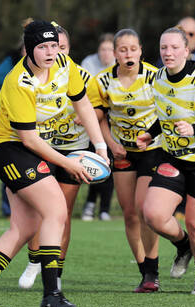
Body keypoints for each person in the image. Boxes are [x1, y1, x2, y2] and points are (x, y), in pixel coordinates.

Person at [0, 20, 108, 307]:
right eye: (43, 47)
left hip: (31, 149)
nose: (51, 52)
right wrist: (69, 163)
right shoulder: (18, 82)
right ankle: (52, 294)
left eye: (54, 45)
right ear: (28, 49)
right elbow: (28, 139)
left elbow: (83, 104)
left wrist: (100, 146)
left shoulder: (66, 64)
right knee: (55, 210)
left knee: (24, 227)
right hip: (10, 150)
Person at [137, 26, 195, 295]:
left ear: (186, 51)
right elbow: (166, 114)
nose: (168, 53)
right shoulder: (158, 78)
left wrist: (194, 128)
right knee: (153, 214)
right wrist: (150, 133)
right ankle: (183, 246)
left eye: (174, 48)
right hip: (174, 157)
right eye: (164, 47)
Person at [18, 22, 103, 290]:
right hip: (41, 147)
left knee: (62, 212)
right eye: (49, 47)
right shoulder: (27, 78)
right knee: (40, 210)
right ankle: (35, 260)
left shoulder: (78, 74)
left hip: (73, 148)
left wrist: (97, 139)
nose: (55, 53)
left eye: (60, 47)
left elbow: (97, 109)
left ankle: (55, 273)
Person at [93, 28, 161, 293]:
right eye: (123, 49)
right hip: (122, 152)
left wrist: (151, 134)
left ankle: (153, 271)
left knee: (144, 209)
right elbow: (98, 117)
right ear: (115, 53)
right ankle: (145, 273)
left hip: (152, 150)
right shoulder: (102, 81)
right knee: (130, 214)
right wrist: (111, 145)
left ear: (141, 50)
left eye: (133, 49)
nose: (128, 54)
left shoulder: (156, 77)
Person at [0, 18, 32, 217]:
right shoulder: (13, 65)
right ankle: (8, 208)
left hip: (33, 126)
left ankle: (27, 206)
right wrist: (18, 79)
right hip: (4, 125)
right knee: (10, 167)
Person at [81, 33, 116, 221]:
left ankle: (104, 209)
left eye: (110, 49)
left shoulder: (118, 70)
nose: (106, 53)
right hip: (91, 121)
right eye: (103, 49)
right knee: (93, 163)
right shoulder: (88, 63)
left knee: (107, 165)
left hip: (110, 123)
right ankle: (90, 204)